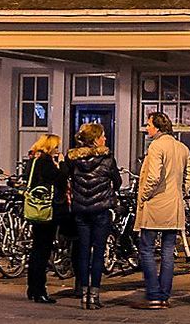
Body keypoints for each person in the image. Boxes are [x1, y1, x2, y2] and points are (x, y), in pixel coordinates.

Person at [135, 112, 190, 309]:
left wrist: (144, 195)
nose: (147, 128)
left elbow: (153, 177)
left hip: (155, 204)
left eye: (149, 125)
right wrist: (180, 191)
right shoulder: (182, 147)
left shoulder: (156, 146)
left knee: (147, 249)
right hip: (174, 206)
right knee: (169, 251)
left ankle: (153, 294)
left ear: (158, 127)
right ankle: (164, 295)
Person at [66, 123, 121, 309]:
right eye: (103, 135)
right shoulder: (107, 158)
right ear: (96, 139)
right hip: (101, 211)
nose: (105, 138)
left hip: (81, 210)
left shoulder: (73, 159)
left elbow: (66, 176)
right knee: (98, 253)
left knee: (82, 253)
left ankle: (83, 294)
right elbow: (118, 181)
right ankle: (94, 296)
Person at [25, 134, 68, 304]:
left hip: (35, 209)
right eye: (56, 147)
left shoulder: (33, 160)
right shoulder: (46, 162)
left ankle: (32, 287)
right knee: (43, 252)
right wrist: (62, 163)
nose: (58, 150)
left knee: (36, 250)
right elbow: (61, 179)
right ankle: (40, 290)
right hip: (46, 212)